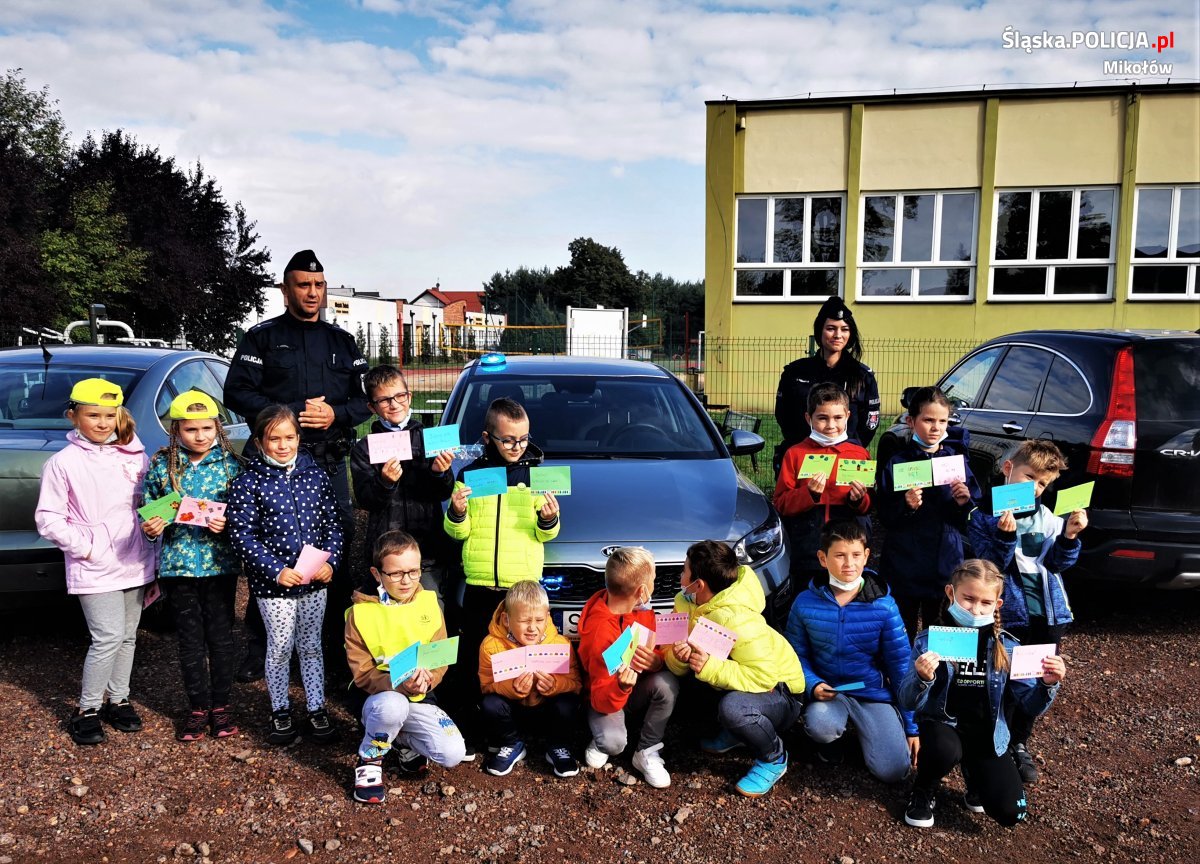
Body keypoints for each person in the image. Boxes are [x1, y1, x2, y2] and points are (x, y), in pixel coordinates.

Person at [224, 249, 370, 683]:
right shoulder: (262, 337)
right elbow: (237, 393)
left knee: (334, 552)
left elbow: (364, 401)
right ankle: (262, 649)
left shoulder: (342, 341)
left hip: (326, 462)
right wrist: (287, 413)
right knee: (269, 554)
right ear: (286, 289)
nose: (312, 292)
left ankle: (331, 647)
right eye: (303, 285)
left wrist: (336, 415)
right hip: (275, 464)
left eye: (318, 285)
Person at [899, 559, 1065, 829]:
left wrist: (1047, 684)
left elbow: (1030, 706)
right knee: (943, 747)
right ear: (951, 593)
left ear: (997, 605)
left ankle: (975, 774)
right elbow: (907, 701)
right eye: (968, 599)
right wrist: (921, 678)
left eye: (985, 602)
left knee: (1013, 813)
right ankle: (924, 790)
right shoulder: (929, 641)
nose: (976, 609)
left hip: (987, 735)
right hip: (944, 728)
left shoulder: (1009, 648)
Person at [35, 379, 155, 745]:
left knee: (128, 637)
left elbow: (146, 504)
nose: (103, 423)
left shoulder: (136, 456)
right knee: (106, 637)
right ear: (74, 416)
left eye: (109, 415)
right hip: (95, 565)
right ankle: (87, 708)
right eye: (93, 415)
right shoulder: (63, 463)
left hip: (136, 559)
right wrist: (86, 547)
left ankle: (118, 700)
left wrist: (153, 530)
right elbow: (48, 518)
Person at [969, 440, 1086, 785]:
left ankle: (1019, 741)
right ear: (1008, 468)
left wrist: (1069, 537)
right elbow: (990, 569)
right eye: (1029, 477)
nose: (1034, 488)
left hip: (1047, 615)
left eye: (1042, 484)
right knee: (1002, 678)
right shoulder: (982, 515)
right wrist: (1005, 538)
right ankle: (997, 741)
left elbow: (1056, 564)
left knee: (1032, 677)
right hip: (1010, 616)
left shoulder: (1048, 517)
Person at [444, 397, 560, 739]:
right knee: (475, 656)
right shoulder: (470, 474)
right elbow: (457, 532)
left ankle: (522, 724)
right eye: (508, 439)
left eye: (523, 439)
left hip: (520, 588)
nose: (516, 446)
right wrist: (457, 511)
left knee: (521, 656)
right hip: (480, 583)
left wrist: (549, 517)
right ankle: (474, 724)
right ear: (486, 437)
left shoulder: (538, 475)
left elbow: (546, 533)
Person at [227, 405, 343, 746]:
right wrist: (275, 571)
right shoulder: (248, 483)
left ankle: (316, 707)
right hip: (273, 586)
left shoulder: (315, 475)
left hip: (313, 582)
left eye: (289, 437)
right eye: (274, 438)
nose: (282, 445)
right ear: (261, 442)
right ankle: (280, 708)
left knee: (310, 647)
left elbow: (332, 523)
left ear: (298, 438)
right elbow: (242, 535)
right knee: (279, 647)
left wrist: (331, 562)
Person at [664, 541, 806, 798]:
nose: (680, 576)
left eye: (684, 571)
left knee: (734, 708)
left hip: (781, 693)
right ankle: (737, 734)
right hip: (739, 679)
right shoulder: (684, 602)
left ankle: (774, 758)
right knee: (688, 686)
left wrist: (709, 666)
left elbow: (764, 678)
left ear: (699, 585)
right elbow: (673, 662)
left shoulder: (739, 620)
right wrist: (679, 656)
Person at [141, 390, 244, 742]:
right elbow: (150, 508)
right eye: (190, 430)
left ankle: (222, 706)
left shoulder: (232, 466)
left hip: (219, 566)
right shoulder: (162, 464)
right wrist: (153, 527)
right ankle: (197, 707)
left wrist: (228, 524)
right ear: (176, 430)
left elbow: (244, 514)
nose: (200, 436)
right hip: (179, 567)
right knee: (189, 640)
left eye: (206, 428)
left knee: (221, 636)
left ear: (218, 427)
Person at [783, 520, 915, 784]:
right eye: (840, 555)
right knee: (820, 725)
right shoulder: (804, 602)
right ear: (822, 558)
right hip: (829, 692)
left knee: (893, 771)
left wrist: (912, 726)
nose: (849, 564)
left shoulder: (884, 606)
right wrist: (813, 684)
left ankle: (882, 729)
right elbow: (795, 654)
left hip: (872, 694)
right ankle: (831, 744)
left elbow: (901, 666)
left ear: (866, 555)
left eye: (856, 555)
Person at [346, 531, 466, 804]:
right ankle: (370, 757)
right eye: (396, 574)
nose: (407, 581)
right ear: (377, 574)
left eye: (413, 571)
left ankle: (399, 741)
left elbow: (440, 655)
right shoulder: (360, 613)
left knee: (452, 753)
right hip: (379, 699)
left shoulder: (430, 602)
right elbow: (362, 672)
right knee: (392, 706)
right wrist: (398, 685)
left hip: (420, 695)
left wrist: (429, 679)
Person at [879, 386, 982, 638]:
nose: (936, 427)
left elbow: (974, 515)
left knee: (939, 631)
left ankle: (936, 677)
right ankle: (904, 676)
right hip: (905, 562)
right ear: (911, 422)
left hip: (944, 562)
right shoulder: (898, 462)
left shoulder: (956, 461)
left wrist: (964, 502)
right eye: (928, 420)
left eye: (942, 421)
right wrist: (906, 505)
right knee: (902, 632)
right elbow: (883, 515)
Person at [350, 365, 455, 601]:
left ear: (409, 396)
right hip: (387, 551)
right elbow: (365, 499)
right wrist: (384, 482)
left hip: (427, 551)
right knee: (390, 619)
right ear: (372, 407)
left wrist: (440, 472)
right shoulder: (365, 448)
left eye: (399, 396)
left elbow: (443, 492)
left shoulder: (431, 438)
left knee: (430, 611)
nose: (394, 404)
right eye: (384, 400)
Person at [577, 547, 679, 788]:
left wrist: (656, 661)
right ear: (642, 591)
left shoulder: (640, 608)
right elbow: (601, 697)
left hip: (633, 686)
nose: (654, 585)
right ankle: (600, 736)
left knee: (667, 685)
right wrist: (622, 687)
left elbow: (651, 646)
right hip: (605, 695)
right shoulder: (600, 632)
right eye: (653, 580)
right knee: (613, 743)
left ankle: (646, 751)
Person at [477, 580, 582, 778]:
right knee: (489, 704)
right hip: (513, 712)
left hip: (546, 710)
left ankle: (557, 745)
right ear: (507, 620)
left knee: (568, 703)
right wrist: (511, 688)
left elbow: (576, 684)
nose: (532, 628)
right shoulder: (491, 645)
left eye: (539, 620)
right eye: (525, 621)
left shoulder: (561, 643)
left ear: (548, 618)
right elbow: (485, 686)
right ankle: (511, 743)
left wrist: (555, 686)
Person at [773, 383, 872, 580]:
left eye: (838, 418)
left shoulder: (859, 454)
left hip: (846, 550)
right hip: (807, 548)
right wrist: (808, 494)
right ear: (809, 418)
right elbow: (781, 503)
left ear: (847, 417)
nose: (830, 425)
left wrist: (858, 499)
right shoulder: (795, 454)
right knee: (808, 595)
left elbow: (867, 507)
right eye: (822, 418)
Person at [774, 295, 880, 475]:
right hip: (804, 456)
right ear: (819, 331)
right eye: (831, 328)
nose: (838, 335)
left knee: (855, 501)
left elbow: (870, 424)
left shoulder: (863, 376)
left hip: (848, 459)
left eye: (844, 329)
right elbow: (784, 416)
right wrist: (804, 446)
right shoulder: (795, 372)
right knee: (802, 500)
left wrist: (849, 449)